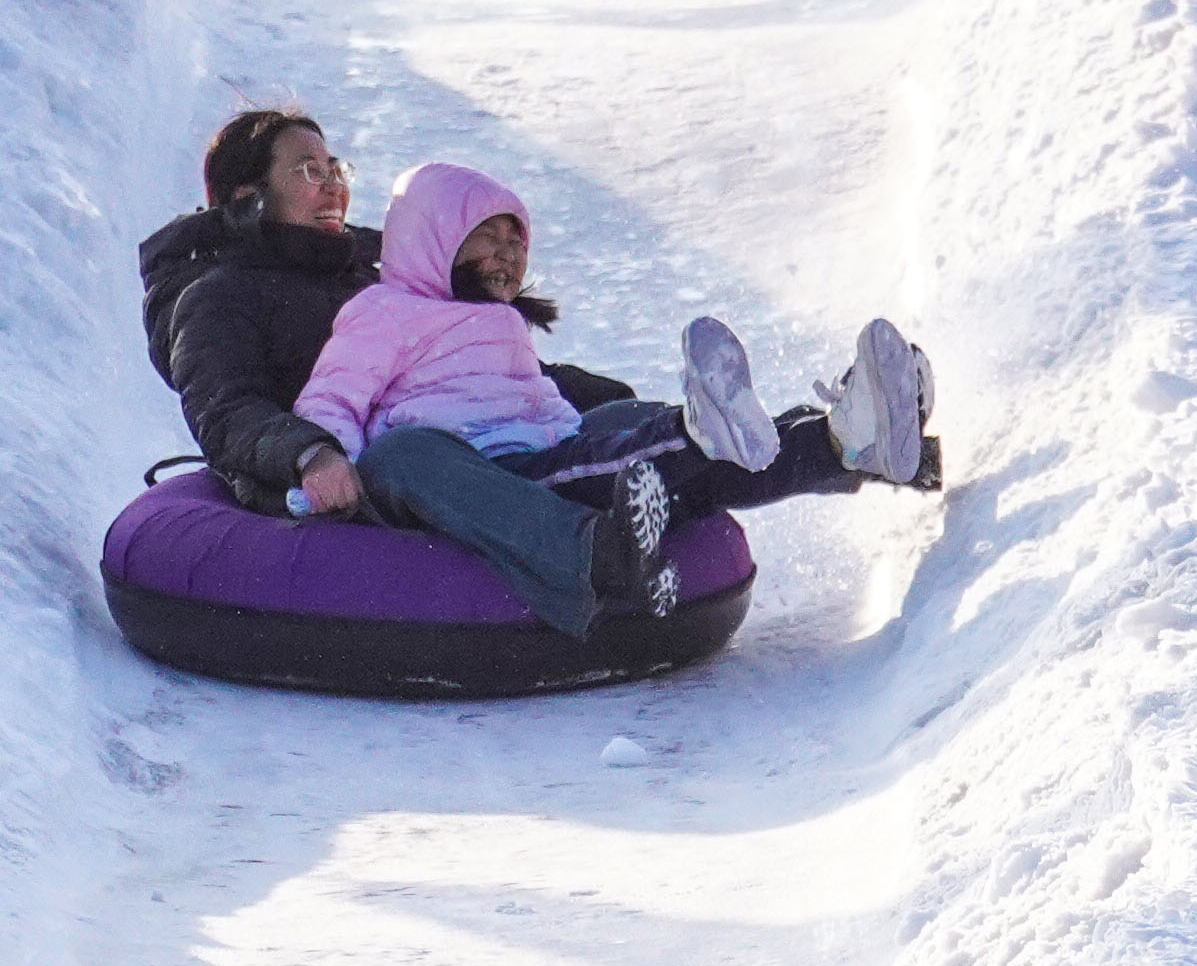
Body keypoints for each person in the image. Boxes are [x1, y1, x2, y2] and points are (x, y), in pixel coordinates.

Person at [287, 160, 937, 637]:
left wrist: (602, 435)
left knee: (622, 425)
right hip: (465, 477)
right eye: (490, 235)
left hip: (536, 461)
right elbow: (332, 398)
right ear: (433, 236)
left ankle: (843, 442)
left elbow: (541, 404)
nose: (511, 254)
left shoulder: (500, 324)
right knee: (407, 452)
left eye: (518, 242)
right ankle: (603, 548)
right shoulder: (383, 312)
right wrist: (321, 463)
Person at [142, 108, 638, 519]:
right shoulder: (215, 297)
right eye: (309, 170)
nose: (334, 187)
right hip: (360, 481)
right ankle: (595, 554)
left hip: (475, 439)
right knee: (422, 458)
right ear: (248, 198)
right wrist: (310, 454)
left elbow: (467, 365)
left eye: (336, 169)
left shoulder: (366, 276)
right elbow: (228, 410)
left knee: (623, 417)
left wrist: (595, 398)